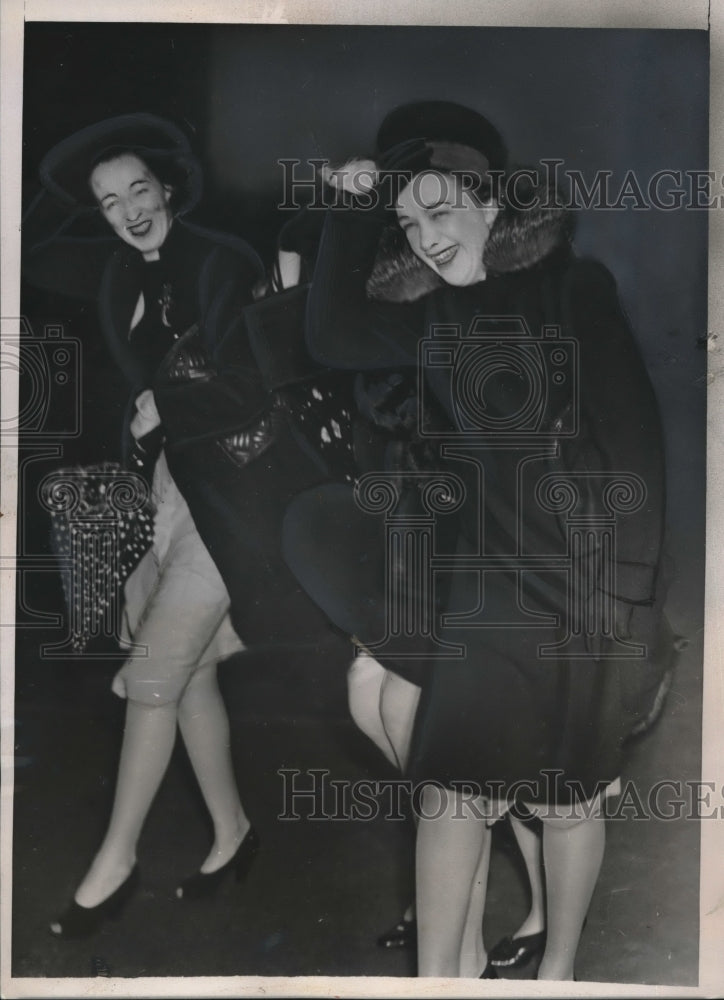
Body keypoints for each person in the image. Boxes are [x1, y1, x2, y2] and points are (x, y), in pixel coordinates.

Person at [284, 101, 673, 980]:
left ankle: (559, 971)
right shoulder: (431, 321)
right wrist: (350, 212)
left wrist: (633, 621)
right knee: (450, 785)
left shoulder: (575, 290)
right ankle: (436, 984)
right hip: (485, 584)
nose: (425, 238)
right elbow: (332, 332)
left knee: (565, 799)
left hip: (581, 588)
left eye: (441, 210)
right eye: (409, 222)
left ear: (492, 204)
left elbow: (638, 459)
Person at [23, 114, 266, 937]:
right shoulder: (117, 279)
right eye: (107, 201)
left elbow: (258, 382)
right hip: (162, 495)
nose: (128, 210)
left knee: (153, 672)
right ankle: (232, 834)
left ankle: (114, 859)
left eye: (137, 189)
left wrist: (171, 401)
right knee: (187, 674)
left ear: (167, 186)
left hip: (234, 500)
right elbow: (126, 401)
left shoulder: (225, 262)